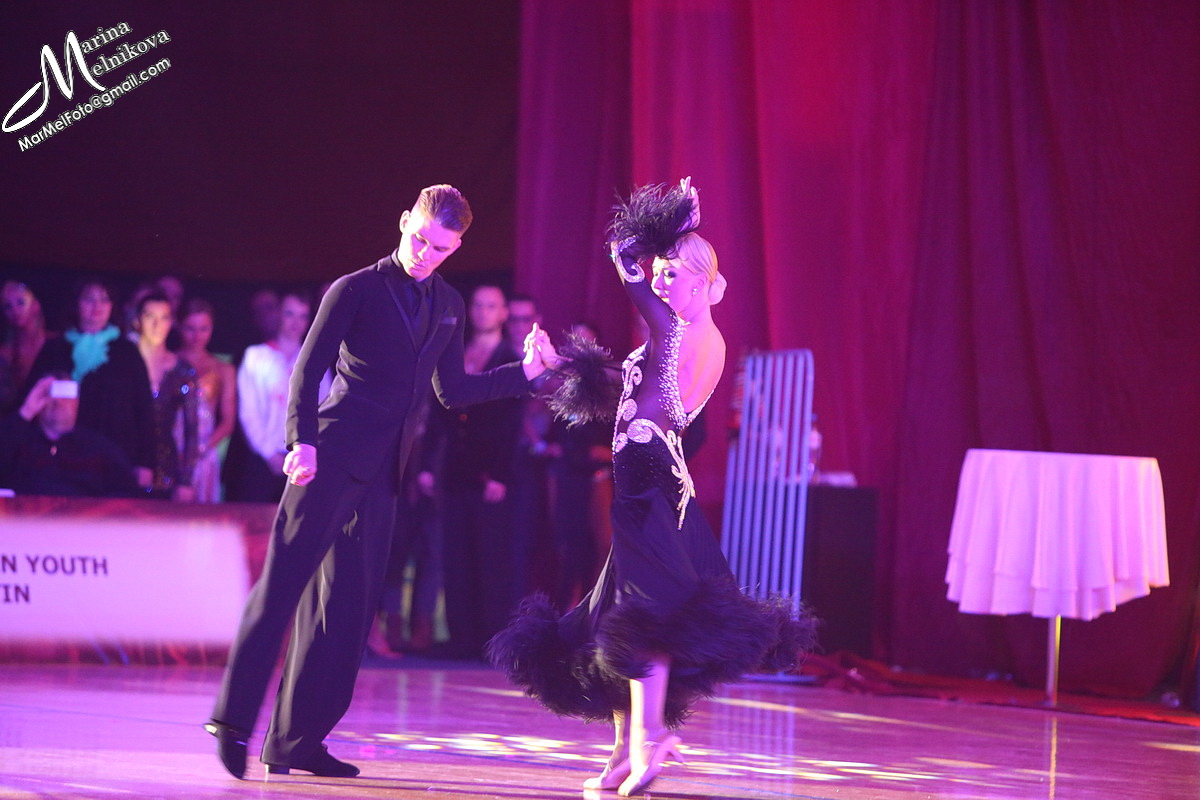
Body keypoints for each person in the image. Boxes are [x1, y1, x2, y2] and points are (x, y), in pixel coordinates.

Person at [205, 185, 552, 781]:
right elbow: (307, 369)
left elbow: (453, 391)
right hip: (327, 459)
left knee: (344, 612)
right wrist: (301, 441)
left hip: (384, 477)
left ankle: (296, 741)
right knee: (282, 588)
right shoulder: (355, 289)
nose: (424, 253)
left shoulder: (448, 304)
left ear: (456, 247)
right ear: (404, 221)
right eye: (420, 239)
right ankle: (231, 722)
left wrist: (525, 373)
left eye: (440, 248)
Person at [488, 179, 816, 796]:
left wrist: (639, 250)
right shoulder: (683, 338)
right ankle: (622, 750)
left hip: (647, 481)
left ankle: (651, 738)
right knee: (623, 612)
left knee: (644, 617)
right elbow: (632, 389)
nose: (660, 282)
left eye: (671, 274)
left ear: (701, 282)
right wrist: (560, 365)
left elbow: (630, 274)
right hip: (650, 479)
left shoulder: (680, 333)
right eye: (659, 274)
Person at [429, 284, 524, 659]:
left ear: (503, 313)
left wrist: (499, 474)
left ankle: (491, 638)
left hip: (490, 474)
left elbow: (511, 423)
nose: (483, 312)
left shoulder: (510, 358)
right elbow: (438, 415)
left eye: (491, 306)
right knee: (455, 554)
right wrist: (428, 466)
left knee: (490, 555)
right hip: (455, 470)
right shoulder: (457, 352)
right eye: (478, 305)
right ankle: (461, 637)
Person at [28, 279, 156, 490]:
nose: (97, 306)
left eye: (104, 300)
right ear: (76, 303)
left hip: (117, 457)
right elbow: (31, 402)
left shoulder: (126, 351)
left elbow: (144, 409)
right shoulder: (55, 348)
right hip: (62, 458)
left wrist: (146, 462)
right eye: (89, 299)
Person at [230, 292, 312, 502]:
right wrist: (269, 453)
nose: (296, 323)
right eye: (290, 314)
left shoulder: (313, 359)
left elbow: (323, 411)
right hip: (262, 460)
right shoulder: (256, 356)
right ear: (278, 315)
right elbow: (248, 413)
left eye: (302, 316)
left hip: (301, 461)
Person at [0, 373, 139, 497]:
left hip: (83, 515)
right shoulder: (17, 443)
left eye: (66, 394)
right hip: (25, 515)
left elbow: (128, 491)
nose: (58, 401)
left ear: (77, 402)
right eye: (50, 393)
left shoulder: (99, 448)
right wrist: (26, 411)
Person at [133, 292, 200, 501]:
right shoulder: (123, 364)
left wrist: (186, 480)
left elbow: (191, 430)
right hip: (126, 463)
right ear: (138, 321)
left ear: (171, 322)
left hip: (166, 467)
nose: (156, 325)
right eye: (150, 317)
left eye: (163, 318)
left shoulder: (182, 370)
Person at [177, 298, 238, 503]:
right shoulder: (169, 362)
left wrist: (199, 450)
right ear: (179, 326)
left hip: (204, 451)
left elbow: (228, 422)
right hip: (171, 450)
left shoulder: (223, 369)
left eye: (204, 329)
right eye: (190, 328)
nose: (197, 336)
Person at [0, 279, 56, 414]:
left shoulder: (57, 343)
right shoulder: (5, 353)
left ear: (35, 305)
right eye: (8, 306)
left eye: (20, 302)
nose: (15, 310)